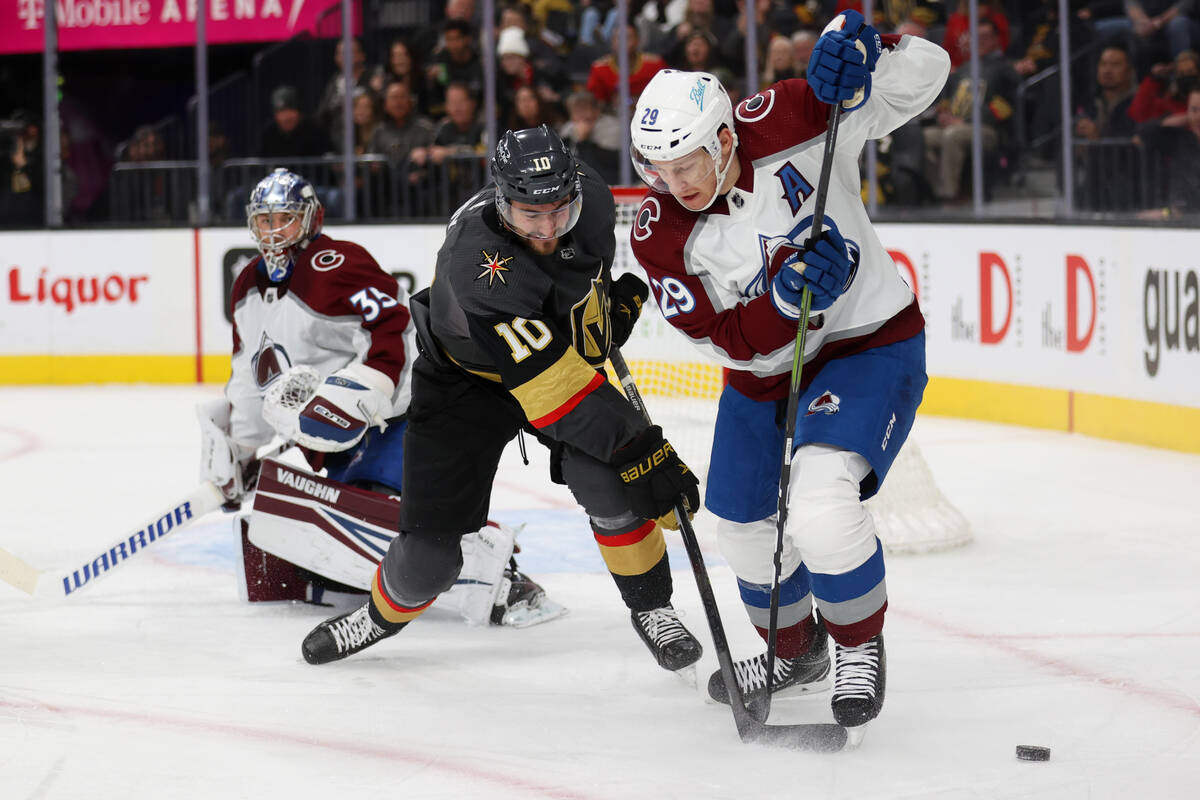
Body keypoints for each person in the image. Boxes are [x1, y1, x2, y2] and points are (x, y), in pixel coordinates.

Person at [627, 11, 949, 736]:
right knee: (739, 526)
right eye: (658, 169)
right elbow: (722, 338)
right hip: (764, 374)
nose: (673, 184)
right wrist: (778, 304)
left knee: (823, 510)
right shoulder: (659, 235)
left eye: (687, 163)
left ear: (725, 138)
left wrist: (876, 53)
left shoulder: (794, 115)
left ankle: (859, 647)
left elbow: (929, 78)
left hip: (868, 343)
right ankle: (797, 652)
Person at [300, 126, 705, 676]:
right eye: (528, 215)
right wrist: (644, 449)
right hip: (463, 383)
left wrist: (605, 322)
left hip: (552, 360)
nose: (545, 228)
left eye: (558, 212)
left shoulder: (592, 204)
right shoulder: (478, 263)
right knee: (428, 562)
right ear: (499, 198)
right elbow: (557, 392)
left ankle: (653, 608)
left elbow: (579, 308)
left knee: (609, 484)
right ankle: (378, 615)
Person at [200, 167, 560, 626]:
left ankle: (507, 579)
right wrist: (243, 449)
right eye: (265, 221)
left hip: (402, 414)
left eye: (285, 219)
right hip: (339, 436)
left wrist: (361, 393)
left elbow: (395, 325)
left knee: (413, 513)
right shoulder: (247, 285)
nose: (274, 231)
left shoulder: (337, 262)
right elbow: (249, 373)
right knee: (348, 522)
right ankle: (353, 576)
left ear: (311, 218)